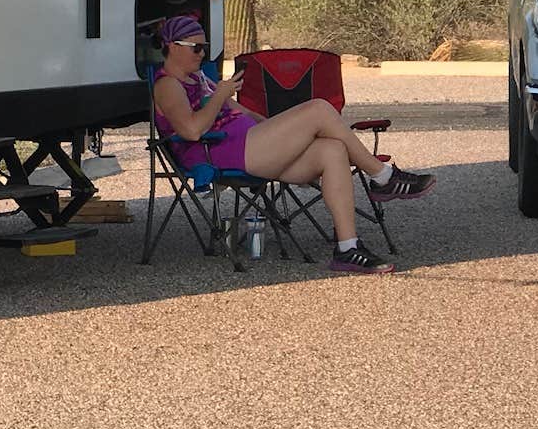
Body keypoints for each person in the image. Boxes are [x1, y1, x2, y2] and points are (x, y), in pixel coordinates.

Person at [151, 14, 433, 275]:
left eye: (204, 48)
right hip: (222, 153)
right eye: (196, 48)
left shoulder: (200, 79)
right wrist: (220, 95)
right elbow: (190, 130)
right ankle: (382, 176)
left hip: (251, 147)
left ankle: (348, 248)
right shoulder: (167, 86)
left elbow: (245, 114)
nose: (202, 54)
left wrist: (279, 130)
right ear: (174, 47)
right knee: (319, 108)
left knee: (332, 150)